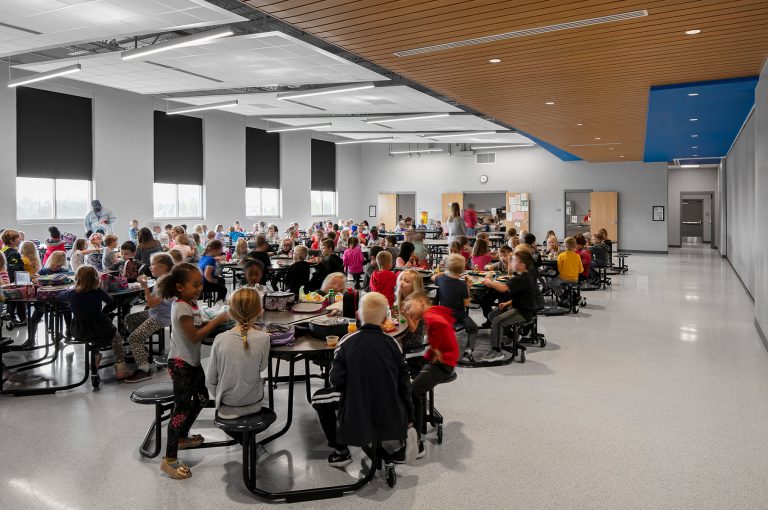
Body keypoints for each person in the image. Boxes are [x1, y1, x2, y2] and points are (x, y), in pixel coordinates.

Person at [311, 292, 413, 467]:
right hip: (389, 406)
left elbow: (336, 380)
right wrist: (409, 416)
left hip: (356, 406)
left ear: (358, 316)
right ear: (384, 320)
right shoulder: (393, 344)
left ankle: (340, 451)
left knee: (318, 398)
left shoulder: (345, 343)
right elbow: (404, 382)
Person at [156, 263, 229, 479]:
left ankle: (181, 437)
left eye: (200, 284)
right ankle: (169, 460)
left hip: (192, 362)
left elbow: (198, 324)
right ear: (179, 287)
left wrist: (214, 319)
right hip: (181, 364)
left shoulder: (191, 302)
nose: (199, 287)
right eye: (195, 284)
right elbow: (195, 336)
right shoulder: (180, 307)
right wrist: (218, 319)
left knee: (200, 398)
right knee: (181, 410)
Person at [395, 291, 459, 459]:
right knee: (402, 368)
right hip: (436, 359)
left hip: (442, 364)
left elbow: (443, 328)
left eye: (409, 307)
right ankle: (416, 421)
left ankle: (416, 445)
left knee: (411, 391)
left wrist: (438, 349)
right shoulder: (434, 312)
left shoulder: (433, 318)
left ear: (422, 302)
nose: (407, 311)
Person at [206, 287, 271, 440]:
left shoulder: (220, 339)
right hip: (254, 402)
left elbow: (210, 380)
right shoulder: (264, 338)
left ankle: (245, 442)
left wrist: (220, 398)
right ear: (259, 311)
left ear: (231, 312)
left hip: (227, 404)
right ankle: (252, 445)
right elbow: (262, 368)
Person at [60, 265, 129, 378]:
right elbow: (111, 301)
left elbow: (59, 296)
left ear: (77, 279)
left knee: (92, 337)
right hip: (100, 326)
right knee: (115, 336)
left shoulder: (71, 294)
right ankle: (120, 365)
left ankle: (95, 357)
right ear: (96, 279)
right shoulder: (98, 292)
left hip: (79, 330)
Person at [123, 253, 174, 383]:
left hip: (162, 317)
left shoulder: (166, 282)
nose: (150, 267)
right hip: (156, 313)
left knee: (134, 338)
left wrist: (145, 287)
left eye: (153, 265)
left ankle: (144, 370)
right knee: (130, 319)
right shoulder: (163, 278)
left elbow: (151, 303)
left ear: (162, 267)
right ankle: (141, 350)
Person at [480, 250, 537, 362]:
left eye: (514, 260)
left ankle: (497, 351)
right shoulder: (522, 275)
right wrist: (507, 303)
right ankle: (511, 336)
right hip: (517, 306)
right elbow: (523, 296)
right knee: (492, 315)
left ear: (522, 265)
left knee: (497, 321)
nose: (511, 262)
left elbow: (503, 288)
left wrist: (490, 282)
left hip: (524, 312)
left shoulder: (521, 278)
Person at [432, 254, 478, 362]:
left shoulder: (441, 279)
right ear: (462, 269)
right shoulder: (462, 285)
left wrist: (444, 272)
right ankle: (468, 352)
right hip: (459, 315)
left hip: (444, 314)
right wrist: (468, 287)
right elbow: (466, 304)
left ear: (447, 267)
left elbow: (433, 277)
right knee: (473, 328)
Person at [1, 230, 26, 325]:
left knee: (12, 302)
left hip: (6, 281)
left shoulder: (3, 250)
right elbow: (15, 269)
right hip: (14, 281)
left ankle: (11, 317)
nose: (20, 239)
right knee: (19, 300)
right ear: (12, 241)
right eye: (18, 238)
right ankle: (21, 318)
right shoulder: (14, 253)